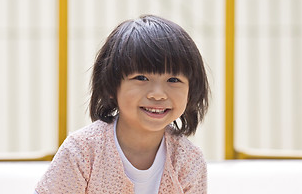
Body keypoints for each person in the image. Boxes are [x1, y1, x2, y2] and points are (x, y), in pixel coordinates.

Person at [34, 15, 210, 194]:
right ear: (111, 85)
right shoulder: (82, 151)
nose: (158, 94)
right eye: (141, 78)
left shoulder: (189, 160)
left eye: (173, 79)